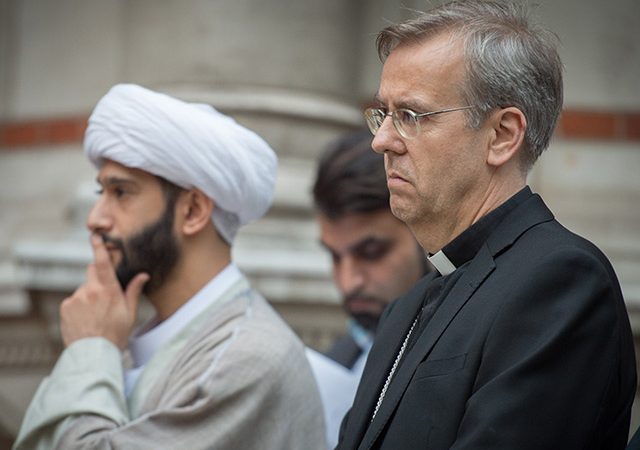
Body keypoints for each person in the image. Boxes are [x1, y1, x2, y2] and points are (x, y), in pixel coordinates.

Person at [336, 2, 637, 450]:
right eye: (384, 113)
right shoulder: (407, 305)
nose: (381, 141)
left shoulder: (559, 282)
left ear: (502, 135)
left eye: (411, 116)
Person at [13, 84, 326, 450]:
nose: (95, 219)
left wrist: (89, 349)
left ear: (193, 211)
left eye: (121, 192)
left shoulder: (244, 359)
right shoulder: (131, 337)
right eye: (101, 192)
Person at [308, 130, 429, 447]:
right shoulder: (334, 366)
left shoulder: (469, 361)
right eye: (335, 257)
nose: (350, 282)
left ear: (423, 232)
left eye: (372, 253)